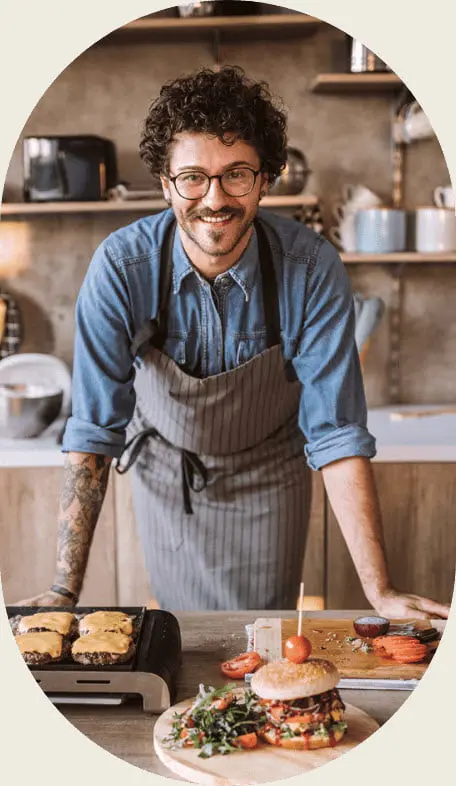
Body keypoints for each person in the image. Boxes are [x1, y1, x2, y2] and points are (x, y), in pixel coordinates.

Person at [19, 66, 449, 617]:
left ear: (266, 179)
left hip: (271, 473)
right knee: (180, 626)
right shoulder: (122, 267)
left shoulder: (309, 267)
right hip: (168, 470)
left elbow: (336, 432)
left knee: (264, 631)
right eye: (193, 176)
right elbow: (94, 429)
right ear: (165, 180)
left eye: (236, 175)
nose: (214, 199)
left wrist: (381, 591)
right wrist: (63, 590)